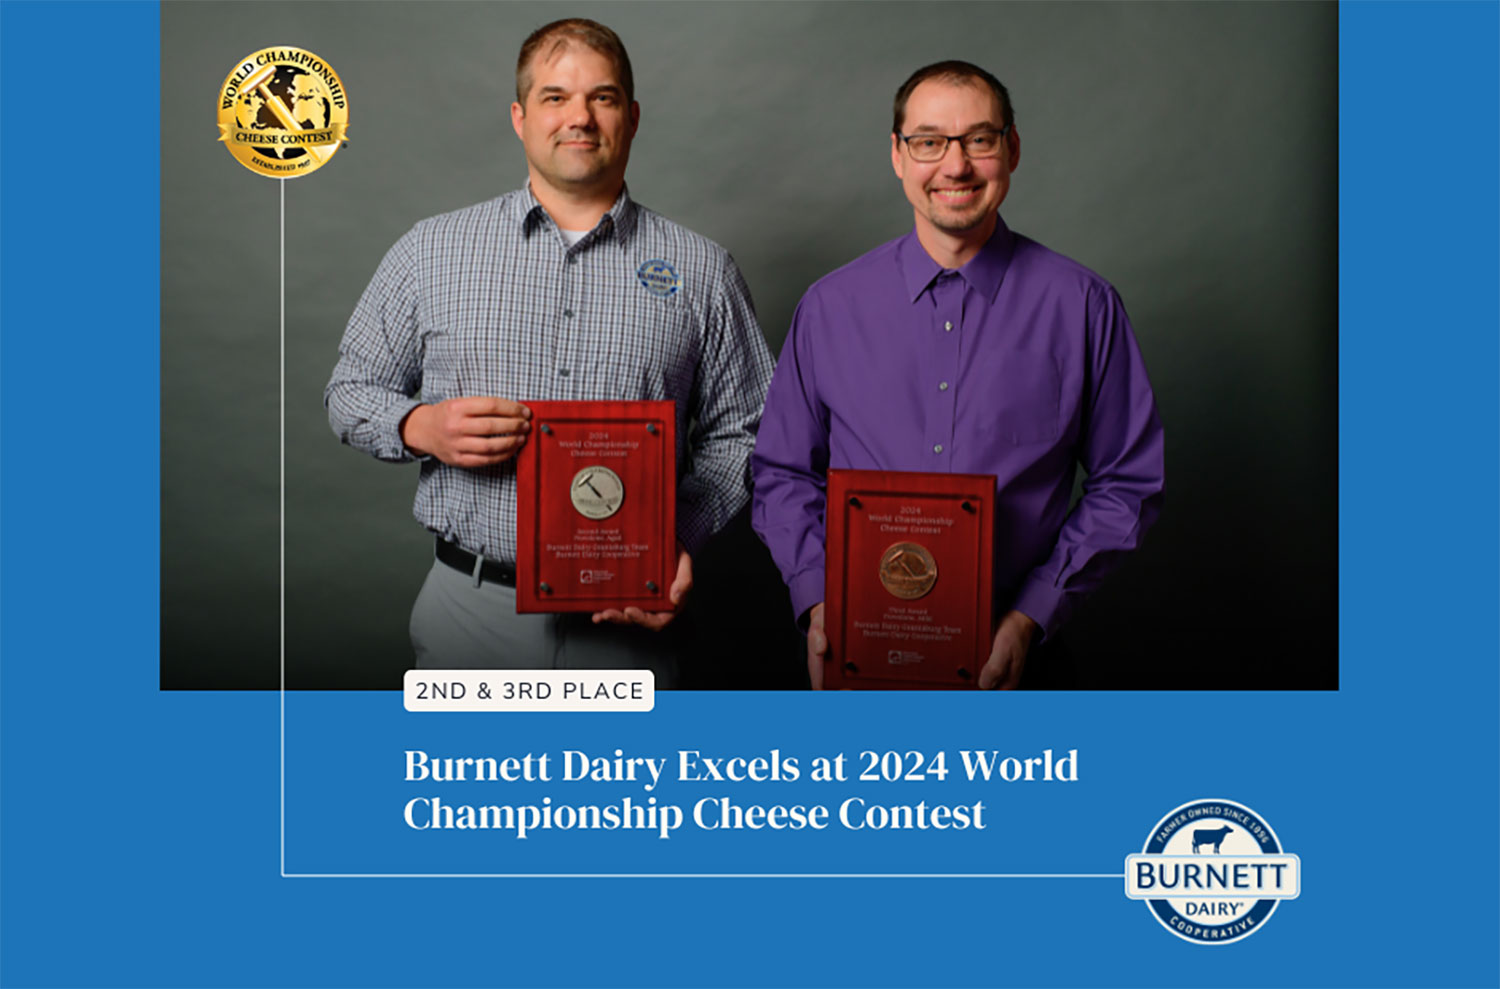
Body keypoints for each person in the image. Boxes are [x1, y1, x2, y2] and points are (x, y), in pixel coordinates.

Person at [325, 19, 773, 686]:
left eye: (604, 97)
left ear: (633, 116)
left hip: (627, 619)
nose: (580, 118)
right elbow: (348, 391)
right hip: (469, 612)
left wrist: (677, 531)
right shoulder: (431, 250)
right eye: (555, 97)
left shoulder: (702, 270)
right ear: (519, 116)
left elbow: (751, 428)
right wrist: (421, 427)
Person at [750, 61, 1164, 690]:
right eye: (929, 142)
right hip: (855, 663)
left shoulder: (1083, 306)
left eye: (979, 139)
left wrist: (1035, 613)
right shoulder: (829, 307)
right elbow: (781, 472)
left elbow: (1128, 482)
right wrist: (817, 603)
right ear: (897, 155)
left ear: (1012, 149)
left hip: (1022, 672)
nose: (955, 165)